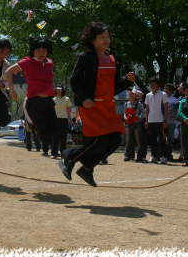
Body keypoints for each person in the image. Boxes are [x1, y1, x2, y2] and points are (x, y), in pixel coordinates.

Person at [58, 21, 135, 187]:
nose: (106, 39)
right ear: (92, 40)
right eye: (102, 37)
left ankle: (86, 168)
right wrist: (84, 98)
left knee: (114, 140)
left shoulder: (114, 60)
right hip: (90, 105)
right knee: (98, 141)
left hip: (108, 106)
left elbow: (114, 87)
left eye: (108, 36)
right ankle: (68, 157)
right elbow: (75, 80)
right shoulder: (85, 57)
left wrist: (127, 82)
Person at [6, 36, 59, 144]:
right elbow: (8, 71)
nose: (41, 53)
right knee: (43, 134)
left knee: (55, 132)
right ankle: (31, 125)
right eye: (38, 50)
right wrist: (11, 90)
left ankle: (33, 124)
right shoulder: (28, 61)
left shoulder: (50, 62)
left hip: (48, 102)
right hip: (34, 102)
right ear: (33, 51)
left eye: (44, 50)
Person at [145, 76, 169, 164]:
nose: (151, 85)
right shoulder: (148, 95)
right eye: (150, 83)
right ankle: (153, 156)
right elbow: (147, 109)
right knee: (152, 140)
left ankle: (164, 157)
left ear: (158, 84)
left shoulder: (163, 94)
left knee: (162, 140)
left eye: (153, 83)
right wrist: (147, 121)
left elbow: (166, 108)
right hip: (151, 121)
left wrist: (165, 120)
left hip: (160, 121)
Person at [47, 84, 73, 159]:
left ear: (62, 90)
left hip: (64, 119)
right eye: (56, 90)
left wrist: (70, 119)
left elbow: (68, 110)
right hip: (55, 119)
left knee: (63, 137)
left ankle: (63, 153)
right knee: (55, 137)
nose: (58, 91)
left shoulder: (66, 99)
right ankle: (54, 153)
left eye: (59, 89)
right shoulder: (54, 99)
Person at [123, 89, 146, 161]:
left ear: (135, 95)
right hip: (129, 123)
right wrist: (125, 118)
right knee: (128, 140)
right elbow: (124, 113)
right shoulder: (126, 104)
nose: (130, 94)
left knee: (138, 141)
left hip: (136, 123)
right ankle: (127, 155)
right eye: (129, 93)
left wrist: (140, 118)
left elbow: (143, 112)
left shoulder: (138, 103)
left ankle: (139, 156)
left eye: (132, 93)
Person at [163, 83, 179, 161]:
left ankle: (168, 155)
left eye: (167, 89)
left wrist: (176, 118)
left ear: (171, 90)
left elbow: (176, 112)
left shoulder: (174, 100)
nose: (165, 90)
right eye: (165, 88)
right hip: (161, 122)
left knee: (170, 139)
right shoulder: (161, 99)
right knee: (161, 139)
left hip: (171, 122)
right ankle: (161, 154)